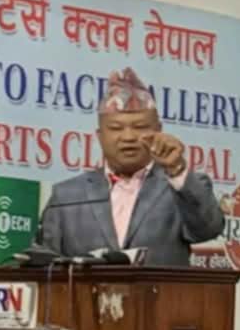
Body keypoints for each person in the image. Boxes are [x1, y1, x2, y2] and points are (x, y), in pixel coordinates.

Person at [37, 67, 225, 266]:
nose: (128, 137)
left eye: (140, 127)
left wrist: (176, 169)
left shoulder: (181, 187)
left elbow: (209, 229)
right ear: (100, 136)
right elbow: (44, 265)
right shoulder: (67, 195)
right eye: (116, 128)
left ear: (158, 131)